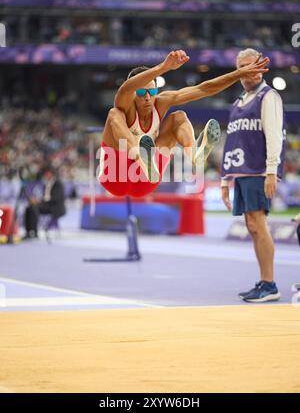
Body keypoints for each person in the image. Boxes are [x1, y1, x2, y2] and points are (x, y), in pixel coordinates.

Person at [99, 50, 269, 198]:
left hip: (146, 180)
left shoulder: (162, 101)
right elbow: (125, 89)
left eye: (151, 91)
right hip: (114, 176)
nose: (147, 97)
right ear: (133, 93)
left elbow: (204, 89)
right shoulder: (125, 104)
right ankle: (140, 154)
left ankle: (195, 154)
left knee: (178, 117)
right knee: (114, 114)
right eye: (141, 92)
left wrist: (239, 73)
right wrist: (163, 68)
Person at [221, 48, 286, 303]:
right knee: (252, 226)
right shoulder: (238, 102)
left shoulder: (268, 97)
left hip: (258, 170)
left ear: (260, 67)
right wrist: (226, 179)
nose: (247, 71)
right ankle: (264, 280)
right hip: (242, 171)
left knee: (259, 224)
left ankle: (270, 284)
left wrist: (272, 170)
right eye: (242, 68)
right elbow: (232, 142)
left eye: (251, 65)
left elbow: (274, 135)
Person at [23, 166, 66, 239]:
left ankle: (34, 232)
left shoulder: (58, 183)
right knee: (29, 208)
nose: (46, 175)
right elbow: (45, 197)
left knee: (34, 208)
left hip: (55, 207)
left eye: (47, 174)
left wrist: (40, 201)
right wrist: (37, 201)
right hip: (47, 205)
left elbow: (55, 198)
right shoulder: (46, 184)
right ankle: (28, 231)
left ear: (51, 174)